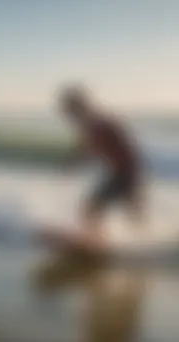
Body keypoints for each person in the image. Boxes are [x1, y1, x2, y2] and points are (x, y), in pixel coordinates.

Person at [59, 85, 146, 249]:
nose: (68, 116)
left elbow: (91, 148)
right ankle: (104, 241)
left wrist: (74, 162)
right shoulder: (92, 124)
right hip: (122, 173)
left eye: (70, 110)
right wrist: (71, 163)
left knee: (92, 207)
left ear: (79, 108)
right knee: (127, 211)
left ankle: (98, 243)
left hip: (125, 173)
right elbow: (86, 148)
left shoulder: (98, 124)